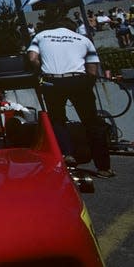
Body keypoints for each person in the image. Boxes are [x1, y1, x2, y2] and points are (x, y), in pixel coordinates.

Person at [27, 18, 114, 178]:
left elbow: (32, 58)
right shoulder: (83, 39)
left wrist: (43, 70)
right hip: (79, 80)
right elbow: (93, 70)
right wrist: (85, 86)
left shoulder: (41, 35)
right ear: (72, 28)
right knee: (92, 122)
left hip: (52, 81)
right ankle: (104, 167)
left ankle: (67, 154)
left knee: (58, 119)